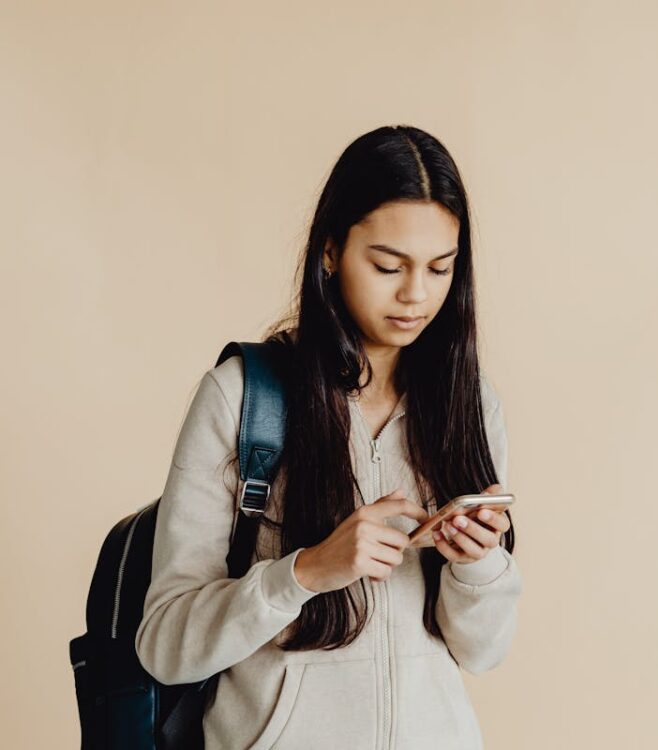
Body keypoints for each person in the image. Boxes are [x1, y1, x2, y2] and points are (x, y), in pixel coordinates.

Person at [134, 125, 522, 749]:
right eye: (388, 265)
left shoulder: (467, 404)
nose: (415, 294)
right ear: (330, 251)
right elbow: (165, 644)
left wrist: (478, 566)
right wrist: (306, 572)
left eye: (440, 268)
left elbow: (482, 652)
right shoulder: (243, 397)